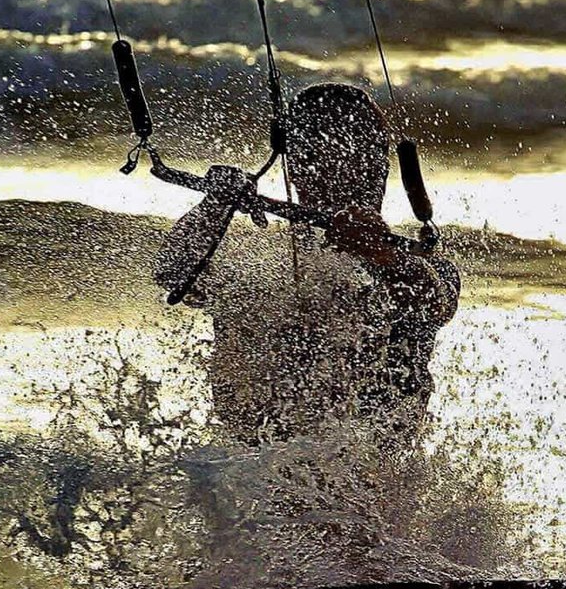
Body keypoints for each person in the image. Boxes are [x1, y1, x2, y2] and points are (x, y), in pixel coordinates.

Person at [153, 83, 458, 450]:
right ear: (296, 169)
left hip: (374, 475)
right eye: (327, 162)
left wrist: (378, 254)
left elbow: (434, 302)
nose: (360, 179)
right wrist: (213, 207)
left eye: (369, 162)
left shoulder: (419, 264)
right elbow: (173, 274)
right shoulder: (257, 261)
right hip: (254, 471)